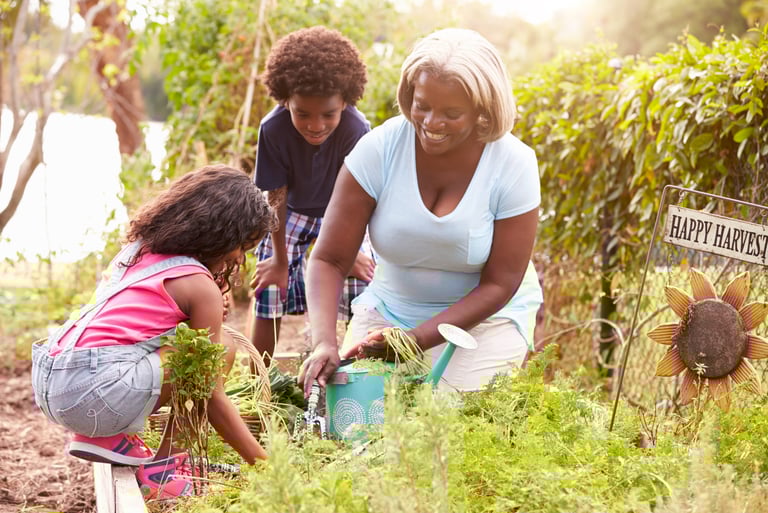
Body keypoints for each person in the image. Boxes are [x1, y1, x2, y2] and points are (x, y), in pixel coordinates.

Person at [299, 28, 543, 395]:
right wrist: (324, 342)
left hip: (485, 321)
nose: (430, 123)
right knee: (357, 421)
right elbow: (330, 259)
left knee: (449, 424)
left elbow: (500, 282)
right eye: (422, 105)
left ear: (483, 110)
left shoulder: (513, 164)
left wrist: (414, 341)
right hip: (390, 313)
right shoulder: (379, 150)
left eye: (452, 113)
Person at [31, 165, 276, 500]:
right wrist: (271, 470)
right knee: (225, 348)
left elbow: (125, 330)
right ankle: (167, 467)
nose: (239, 257)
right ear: (222, 232)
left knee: (201, 349)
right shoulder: (198, 285)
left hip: (52, 381)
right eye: (242, 245)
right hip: (93, 392)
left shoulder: (138, 250)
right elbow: (210, 395)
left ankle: (103, 437)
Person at [250, 26, 375, 363]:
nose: (315, 125)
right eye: (302, 113)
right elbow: (275, 196)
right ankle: (258, 381)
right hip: (289, 212)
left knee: (361, 285)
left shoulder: (356, 129)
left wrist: (352, 254)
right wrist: (278, 260)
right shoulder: (272, 129)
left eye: (328, 114)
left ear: (345, 102)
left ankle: (351, 371)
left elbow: (362, 196)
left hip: (342, 211)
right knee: (270, 286)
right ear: (284, 100)